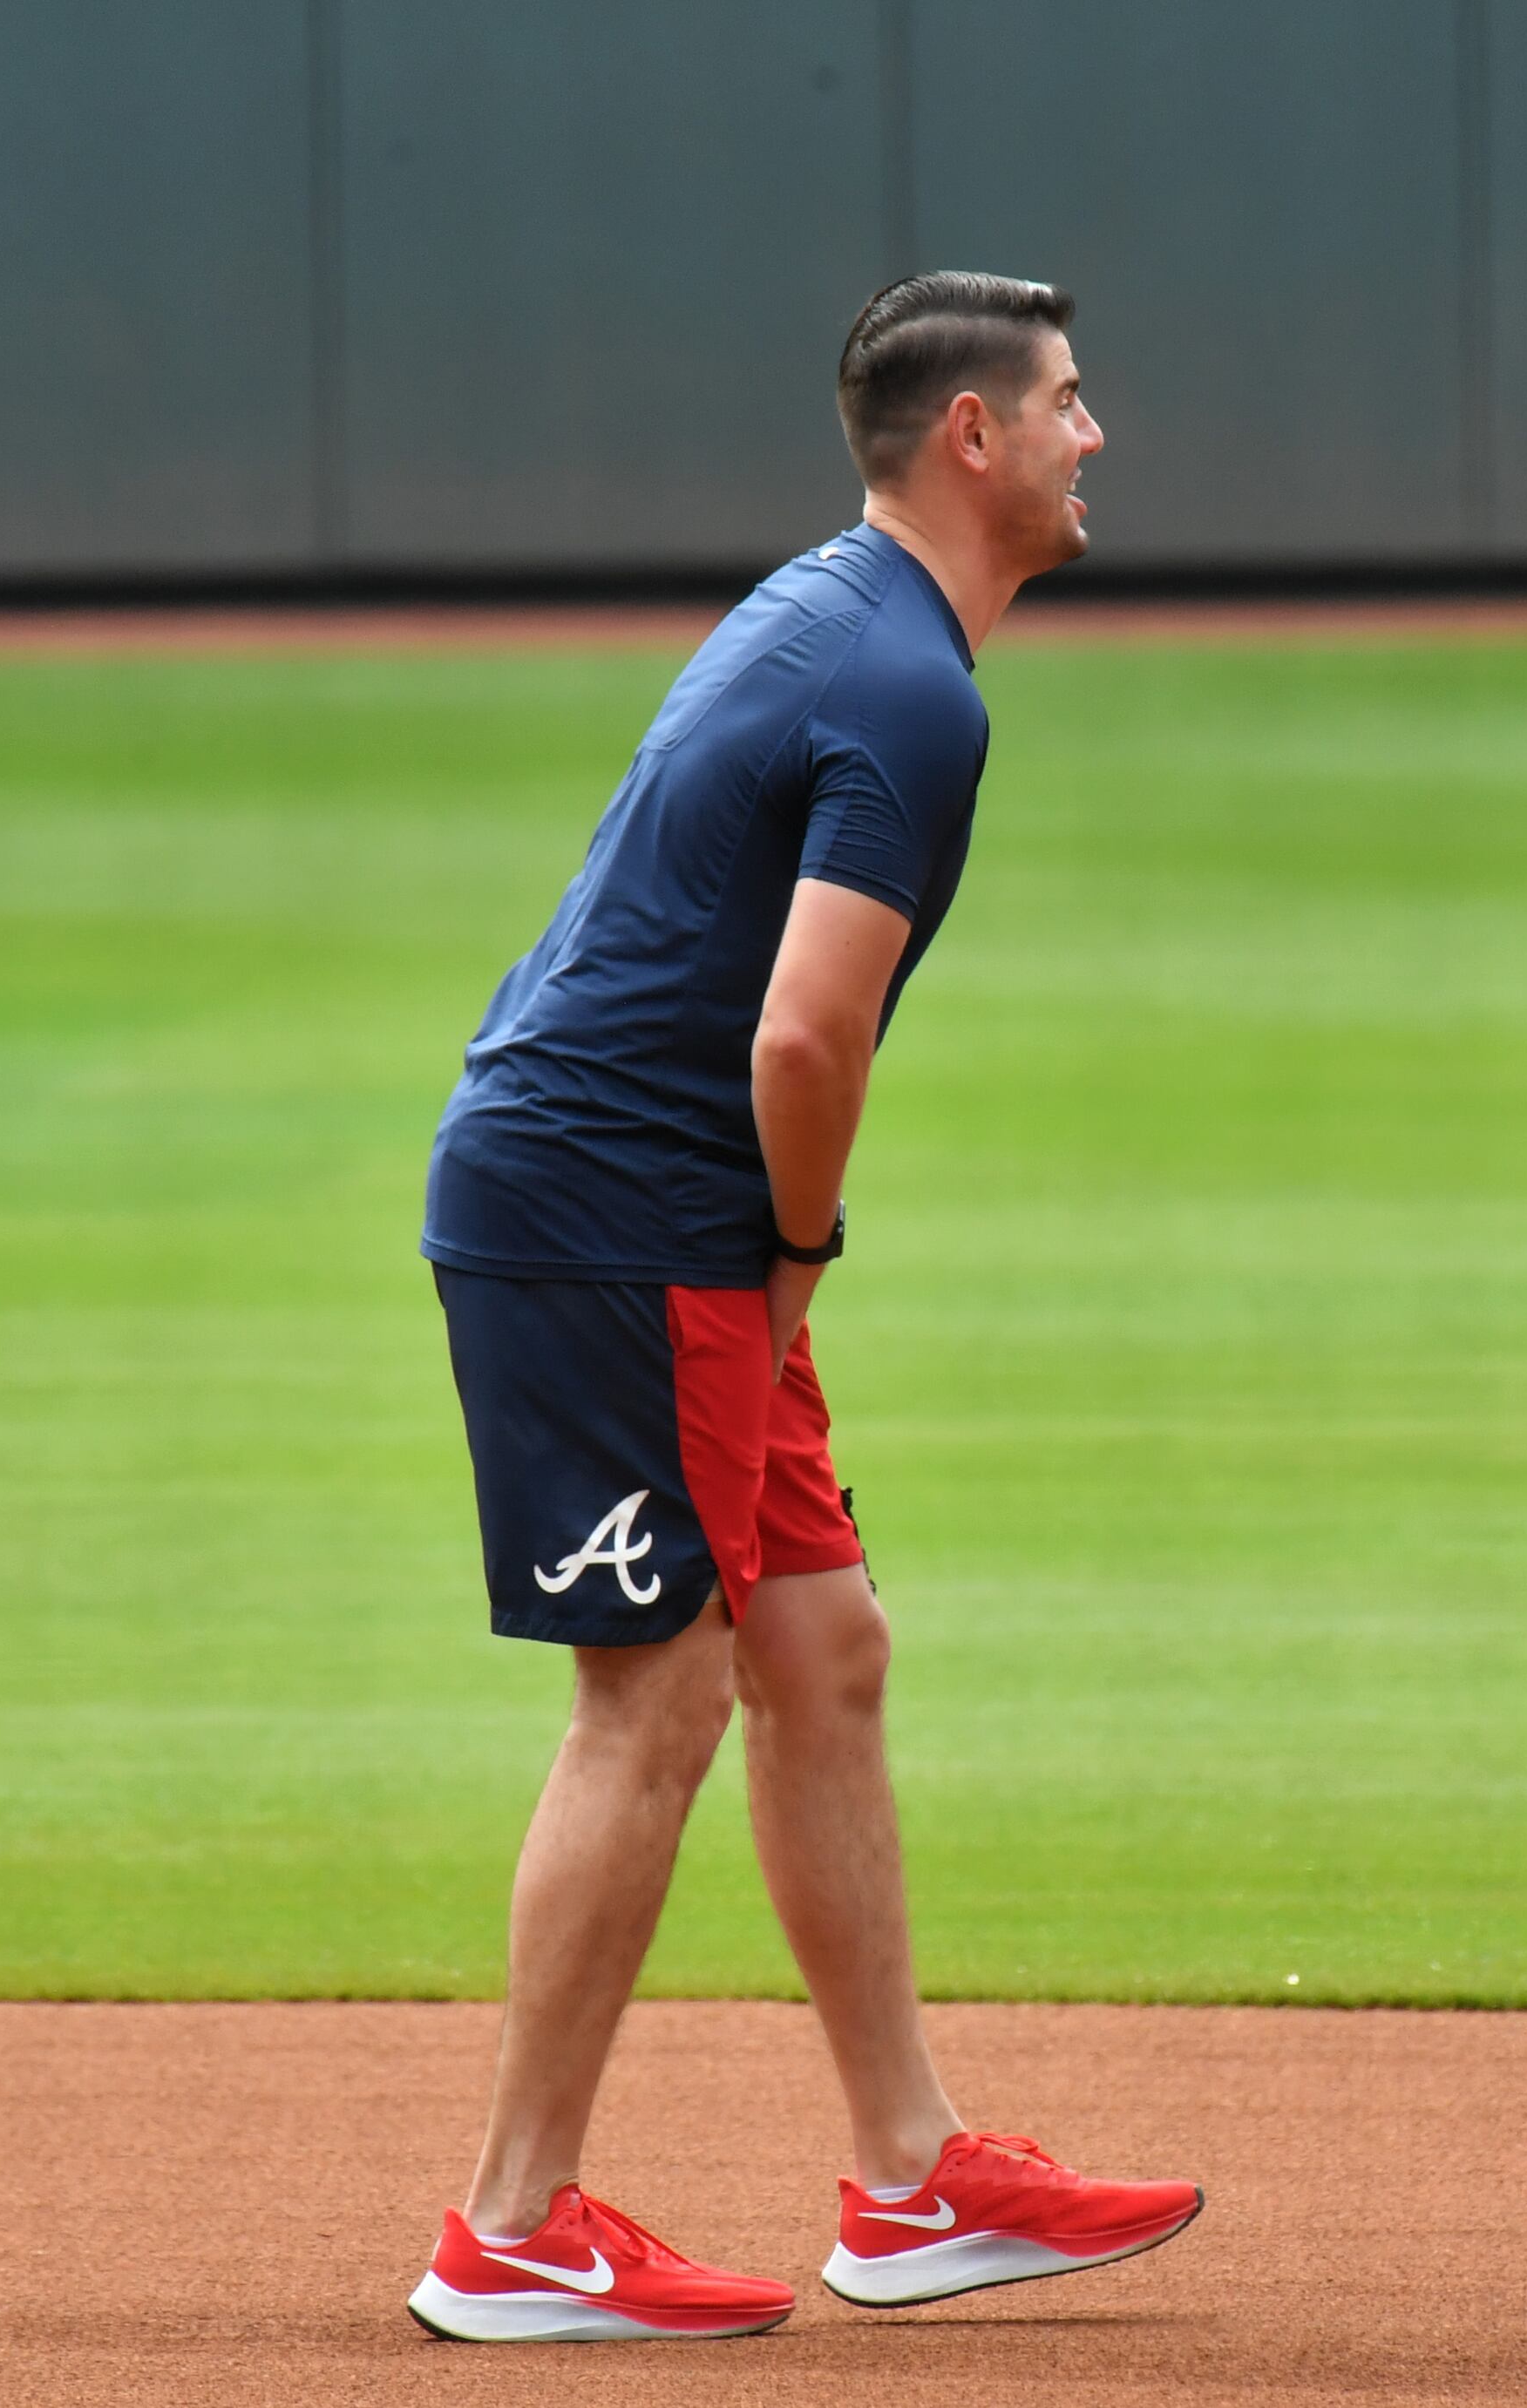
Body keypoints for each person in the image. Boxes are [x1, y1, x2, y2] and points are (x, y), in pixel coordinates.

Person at [406, 271, 1201, 2344]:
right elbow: (799, 1040)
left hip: (648, 1203)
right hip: (621, 1218)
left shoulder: (835, 605)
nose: (1092, 435)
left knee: (820, 1644)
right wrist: (795, 1259)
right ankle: (511, 2221)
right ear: (974, 439)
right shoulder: (912, 688)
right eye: (1068, 401)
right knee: (653, 1692)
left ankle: (917, 2178)